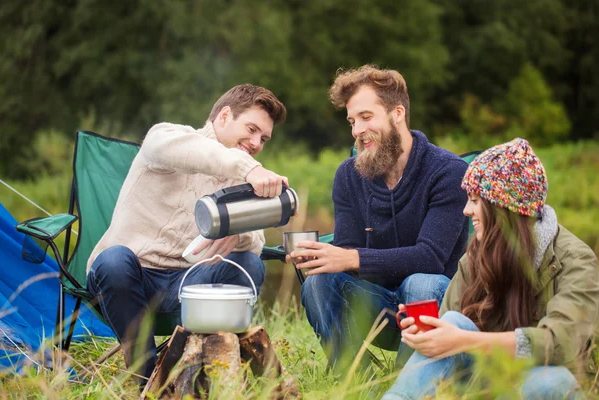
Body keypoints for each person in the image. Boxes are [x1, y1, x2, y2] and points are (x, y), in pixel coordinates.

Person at [86, 84, 288, 381]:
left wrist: (240, 233)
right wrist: (249, 168)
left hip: (189, 285)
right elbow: (196, 152)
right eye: (252, 129)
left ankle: (200, 368)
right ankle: (144, 376)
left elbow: (256, 241)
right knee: (114, 260)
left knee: (248, 264)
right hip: (130, 279)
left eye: (264, 138)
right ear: (224, 116)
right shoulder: (165, 137)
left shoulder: (242, 177)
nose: (257, 143)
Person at [384, 138, 599, 400]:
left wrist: (462, 341)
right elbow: (450, 326)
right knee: (452, 322)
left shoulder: (575, 261)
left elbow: (561, 343)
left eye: (475, 200)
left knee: (548, 383)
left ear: (504, 209)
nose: (466, 210)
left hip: (546, 381)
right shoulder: (478, 254)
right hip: (490, 381)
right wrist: (428, 333)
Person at [288, 65, 469, 371]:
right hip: (376, 307)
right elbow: (345, 259)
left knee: (421, 283)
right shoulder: (349, 175)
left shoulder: (448, 172)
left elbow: (431, 259)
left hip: (437, 308)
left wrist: (351, 258)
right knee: (317, 284)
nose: (357, 130)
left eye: (366, 117)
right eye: (352, 121)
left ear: (397, 113)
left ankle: (409, 381)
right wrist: (324, 260)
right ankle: (356, 382)